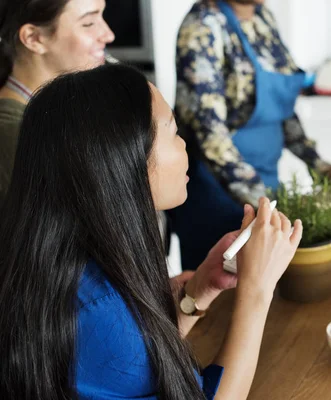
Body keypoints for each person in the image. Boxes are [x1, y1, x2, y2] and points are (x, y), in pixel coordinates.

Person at [0, 64, 303, 399]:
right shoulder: (98, 312)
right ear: (123, 159)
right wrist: (258, 290)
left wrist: (199, 290)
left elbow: (140, 365)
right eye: (173, 131)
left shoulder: (73, 262)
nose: (185, 144)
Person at [170, 0, 331, 270]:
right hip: (217, 195)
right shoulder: (202, 27)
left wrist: (319, 164)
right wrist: (265, 203)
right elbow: (210, 136)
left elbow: (281, 106)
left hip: (265, 187)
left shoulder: (263, 18)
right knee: (218, 297)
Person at [0, 0, 115, 203]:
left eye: (102, 16)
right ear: (33, 38)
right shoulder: (14, 134)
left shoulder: (65, 110)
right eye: (88, 23)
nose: (108, 34)